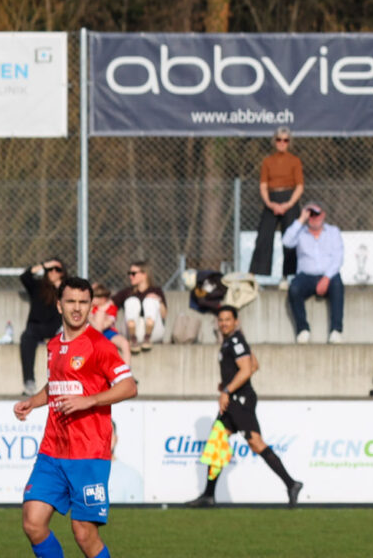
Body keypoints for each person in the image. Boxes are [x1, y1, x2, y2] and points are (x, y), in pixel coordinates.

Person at [13, 275, 138, 558]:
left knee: (84, 534)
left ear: (90, 306)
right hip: (53, 449)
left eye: (84, 302)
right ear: (59, 304)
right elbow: (56, 386)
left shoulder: (99, 345)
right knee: (33, 522)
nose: (78, 308)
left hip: (88, 453)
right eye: (71, 302)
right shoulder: (54, 345)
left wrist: (90, 400)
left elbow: (129, 386)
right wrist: (33, 402)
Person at [185, 305, 303, 507]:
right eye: (221, 320)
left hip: (240, 400)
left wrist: (227, 390)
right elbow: (254, 364)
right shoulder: (231, 341)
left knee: (255, 443)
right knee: (217, 441)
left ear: (236, 321)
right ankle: (208, 495)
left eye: (227, 319)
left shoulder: (236, 341)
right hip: (234, 399)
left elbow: (247, 369)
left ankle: (292, 484)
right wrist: (228, 383)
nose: (223, 323)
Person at [283, 203, 345, 343]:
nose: (314, 218)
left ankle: (336, 330)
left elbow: (338, 258)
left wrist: (326, 278)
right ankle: (303, 329)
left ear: (323, 215)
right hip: (306, 276)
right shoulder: (300, 232)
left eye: (316, 214)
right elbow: (286, 241)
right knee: (294, 288)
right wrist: (300, 220)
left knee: (337, 284)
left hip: (329, 275)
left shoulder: (333, 232)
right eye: (310, 215)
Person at [250, 127, 305, 278]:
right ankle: (254, 275)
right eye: (279, 139)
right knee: (264, 236)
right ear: (274, 141)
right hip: (272, 199)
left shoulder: (295, 161)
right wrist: (270, 203)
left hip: (289, 199)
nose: (282, 143)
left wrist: (288, 204)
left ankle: (288, 275)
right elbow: (263, 185)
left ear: (289, 142)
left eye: (285, 140)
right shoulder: (267, 161)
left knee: (290, 237)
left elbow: (300, 186)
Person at [18, 257, 65, 396]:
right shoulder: (38, 286)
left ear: (62, 273)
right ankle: (29, 381)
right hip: (36, 326)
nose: (53, 272)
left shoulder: (65, 289)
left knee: (66, 342)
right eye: (50, 269)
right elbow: (24, 276)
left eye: (57, 269)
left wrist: (60, 287)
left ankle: (61, 381)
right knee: (26, 338)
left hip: (56, 327)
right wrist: (44, 265)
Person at [110, 262, 167, 353]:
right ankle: (133, 338)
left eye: (133, 273)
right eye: (129, 273)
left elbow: (164, 315)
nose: (130, 276)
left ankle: (147, 337)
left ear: (144, 274)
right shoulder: (127, 291)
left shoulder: (156, 290)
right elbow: (109, 304)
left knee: (150, 300)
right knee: (132, 301)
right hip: (130, 331)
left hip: (152, 333)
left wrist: (158, 300)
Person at [89, 283, 132, 366]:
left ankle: (127, 369)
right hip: (93, 333)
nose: (92, 299)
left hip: (108, 332)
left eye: (95, 297)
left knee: (125, 344)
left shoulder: (111, 308)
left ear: (103, 299)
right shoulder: (91, 308)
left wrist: (91, 318)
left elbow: (105, 325)